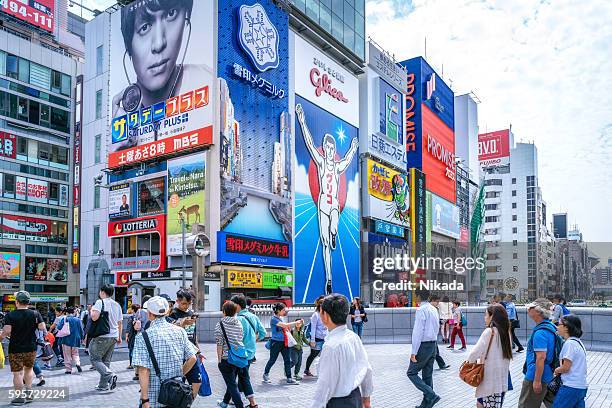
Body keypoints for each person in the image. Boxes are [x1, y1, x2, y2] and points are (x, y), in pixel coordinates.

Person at [112, 0, 208, 150]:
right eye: (144, 27)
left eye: (171, 14)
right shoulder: (123, 112)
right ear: (129, 46)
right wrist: (117, 151)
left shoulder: (208, 83)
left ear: (185, 20)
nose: (159, 44)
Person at [295, 103, 359, 294]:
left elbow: (347, 160)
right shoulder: (321, 163)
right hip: (323, 202)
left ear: (333, 149)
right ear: (324, 148)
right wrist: (301, 119)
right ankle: (329, 279)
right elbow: (307, 141)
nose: (329, 150)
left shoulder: (337, 166)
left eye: (331, 147)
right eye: (326, 147)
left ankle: (334, 232)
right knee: (325, 245)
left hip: (334, 204)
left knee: (333, 223)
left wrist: (354, 148)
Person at [132, 296, 197, 408]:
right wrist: (179, 374)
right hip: (176, 395)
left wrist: (144, 399)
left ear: (150, 314)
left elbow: (143, 370)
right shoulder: (180, 331)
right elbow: (193, 358)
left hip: (154, 398)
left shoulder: (143, 337)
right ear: (167, 312)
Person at [310, 294, 373, 408]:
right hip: (355, 397)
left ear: (326, 315)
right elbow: (367, 369)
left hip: (337, 401)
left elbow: (325, 385)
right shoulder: (353, 337)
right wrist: (366, 399)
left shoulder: (331, 346)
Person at [0, 291, 46, 405]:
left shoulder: (10, 315)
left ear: (17, 302)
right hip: (31, 347)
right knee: (29, 370)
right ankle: (29, 394)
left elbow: (7, 331)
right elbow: (42, 327)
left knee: (17, 373)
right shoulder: (35, 314)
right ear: (28, 302)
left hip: (15, 348)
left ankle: (19, 397)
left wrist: (0, 338)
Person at [219, 294, 266, 408]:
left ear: (238, 306)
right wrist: (253, 341)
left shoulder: (238, 319)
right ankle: (227, 401)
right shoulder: (253, 316)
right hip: (250, 354)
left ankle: (244, 402)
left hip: (239, 354)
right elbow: (263, 332)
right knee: (239, 377)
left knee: (239, 378)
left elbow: (234, 339)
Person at [467, 304, 513, 408]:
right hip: (502, 378)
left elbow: (474, 353)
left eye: (486, 315)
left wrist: (470, 364)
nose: (485, 317)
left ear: (492, 317)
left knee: (482, 404)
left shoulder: (489, 332)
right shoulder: (506, 333)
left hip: (489, 378)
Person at [518, 298, 557, 408]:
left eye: (531, 307)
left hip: (536, 375)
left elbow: (540, 358)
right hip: (548, 374)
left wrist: (536, 380)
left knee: (526, 405)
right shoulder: (551, 327)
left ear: (539, 312)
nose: (528, 309)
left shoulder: (540, 332)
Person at [407, 289, 441, 408]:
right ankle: (426, 404)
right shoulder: (433, 309)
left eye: (416, 296)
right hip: (433, 345)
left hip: (423, 346)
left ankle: (431, 395)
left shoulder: (421, 310)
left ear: (418, 297)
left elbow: (417, 333)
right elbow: (437, 328)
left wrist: (413, 352)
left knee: (411, 373)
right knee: (427, 375)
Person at [167, 289, 202, 398]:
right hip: (178, 354)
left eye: (189, 303)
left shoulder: (191, 314)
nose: (186, 306)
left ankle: (188, 403)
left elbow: (194, 333)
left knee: (197, 381)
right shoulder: (172, 314)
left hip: (192, 353)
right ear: (177, 301)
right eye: (184, 303)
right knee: (177, 383)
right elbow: (170, 331)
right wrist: (183, 323)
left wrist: (198, 350)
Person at [89, 283, 123, 392]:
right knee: (106, 361)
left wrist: (91, 310)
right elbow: (120, 322)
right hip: (114, 336)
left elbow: (94, 318)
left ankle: (110, 375)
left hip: (102, 336)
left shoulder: (100, 302)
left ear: (102, 292)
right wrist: (119, 336)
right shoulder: (117, 304)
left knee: (95, 359)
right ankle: (103, 385)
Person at [215, 301, 247, 408]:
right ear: (234, 311)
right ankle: (225, 403)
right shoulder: (239, 323)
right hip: (238, 357)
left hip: (226, 359)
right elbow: (240, 338)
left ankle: (240, 405)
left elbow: (219, 344)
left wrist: (219, 360)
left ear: (224, 311)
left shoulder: (220, 324)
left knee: (232, 385)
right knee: (231, 382)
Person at [552, 315, 587, 408]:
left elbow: (566, 368)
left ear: (566, 327)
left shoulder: (570, 343)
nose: (557, 327)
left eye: (559, 324)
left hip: (570, 387)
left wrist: (556, 370)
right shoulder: (578, 342)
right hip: (581, 386)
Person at [263, 303, 303, 385]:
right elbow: (284, 325)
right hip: (276, 342)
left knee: (287, 360)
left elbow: (285, 327)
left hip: (284, 342)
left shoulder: (280, 319)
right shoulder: (273, 319)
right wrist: (295, 323)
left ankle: (289, 378)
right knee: (272, 360)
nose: (285, 311)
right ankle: (266, 374)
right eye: (283, 310)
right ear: (278, 310)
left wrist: (295, 325)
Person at [304, 295, 328, 377]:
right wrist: (312, 340)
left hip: (325, 338)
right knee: (313, 355)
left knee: (325, 355)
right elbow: (313, 328)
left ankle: (323, 371)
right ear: (320, 305)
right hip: (317, 339)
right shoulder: (315, 315)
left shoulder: (326, 314)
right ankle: (307, 369)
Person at [57, 306, 84, 374]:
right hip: (75, 339)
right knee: (75, 353)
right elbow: (81, 329)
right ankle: (77, 363)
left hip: (66, 339)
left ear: (67, 312)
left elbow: (59, 327)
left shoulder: (64, 319)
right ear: (73, 312)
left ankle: (68, 370)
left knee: (67, 355)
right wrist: (82, 338)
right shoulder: (77, 320)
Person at [430, 295, 450, 370]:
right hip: (428, 336)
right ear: (433, 300)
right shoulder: (428, 309)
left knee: (436, 351)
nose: (438, 303)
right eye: (437, 302)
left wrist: (440, 321)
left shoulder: (435, 309)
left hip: (432, 335)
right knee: (433, 352)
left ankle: (442, 364)